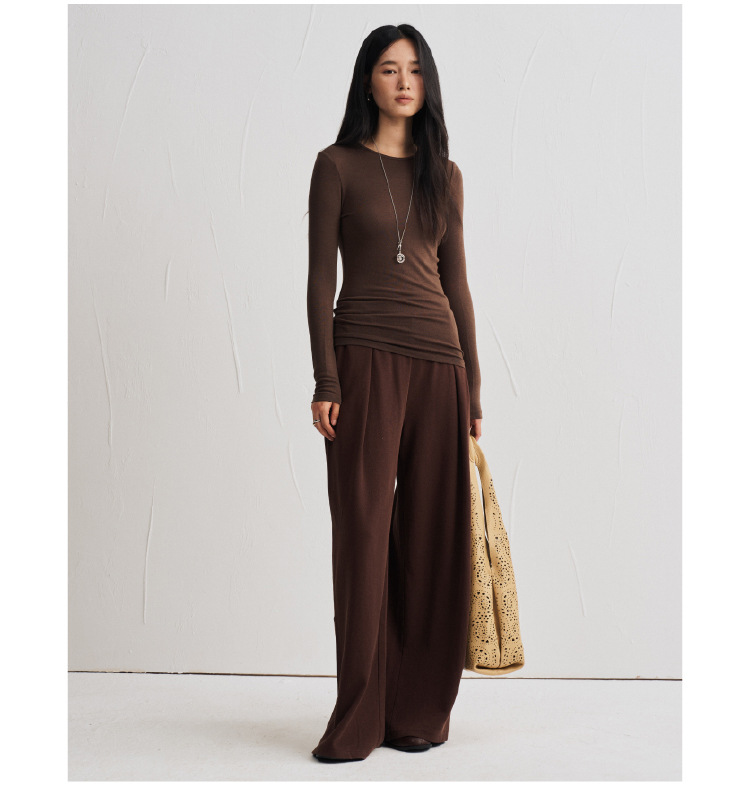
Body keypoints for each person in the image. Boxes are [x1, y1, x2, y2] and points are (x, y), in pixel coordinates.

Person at [306, 24, 483, 763]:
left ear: (426, 82)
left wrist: (474, 391)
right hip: (364, 359)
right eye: (388, 69)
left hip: (439, 363)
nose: (404, 82)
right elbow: (320, 279)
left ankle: (417, 712)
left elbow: (457, 284)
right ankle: (358, 717)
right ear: (368, 82)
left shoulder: (446, 175)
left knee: (435, 539)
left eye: (414, 69)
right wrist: (326, 377)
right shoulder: (336, 166)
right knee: (363, 534)